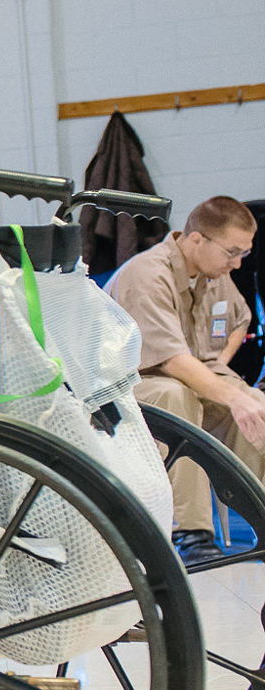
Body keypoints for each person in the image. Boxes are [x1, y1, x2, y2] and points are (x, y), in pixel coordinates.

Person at [106, 196, 265, 563]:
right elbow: (173, 362)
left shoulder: (214, 277)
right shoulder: (148, 274)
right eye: (231, 252)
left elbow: (236, 322)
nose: (237, 263)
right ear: (196, 239)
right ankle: (191, 532)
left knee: (252, 405)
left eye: (244, 253)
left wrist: (237, 389)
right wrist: (232, 395)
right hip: (127, 389)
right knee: (177, 396)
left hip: (185, 377)